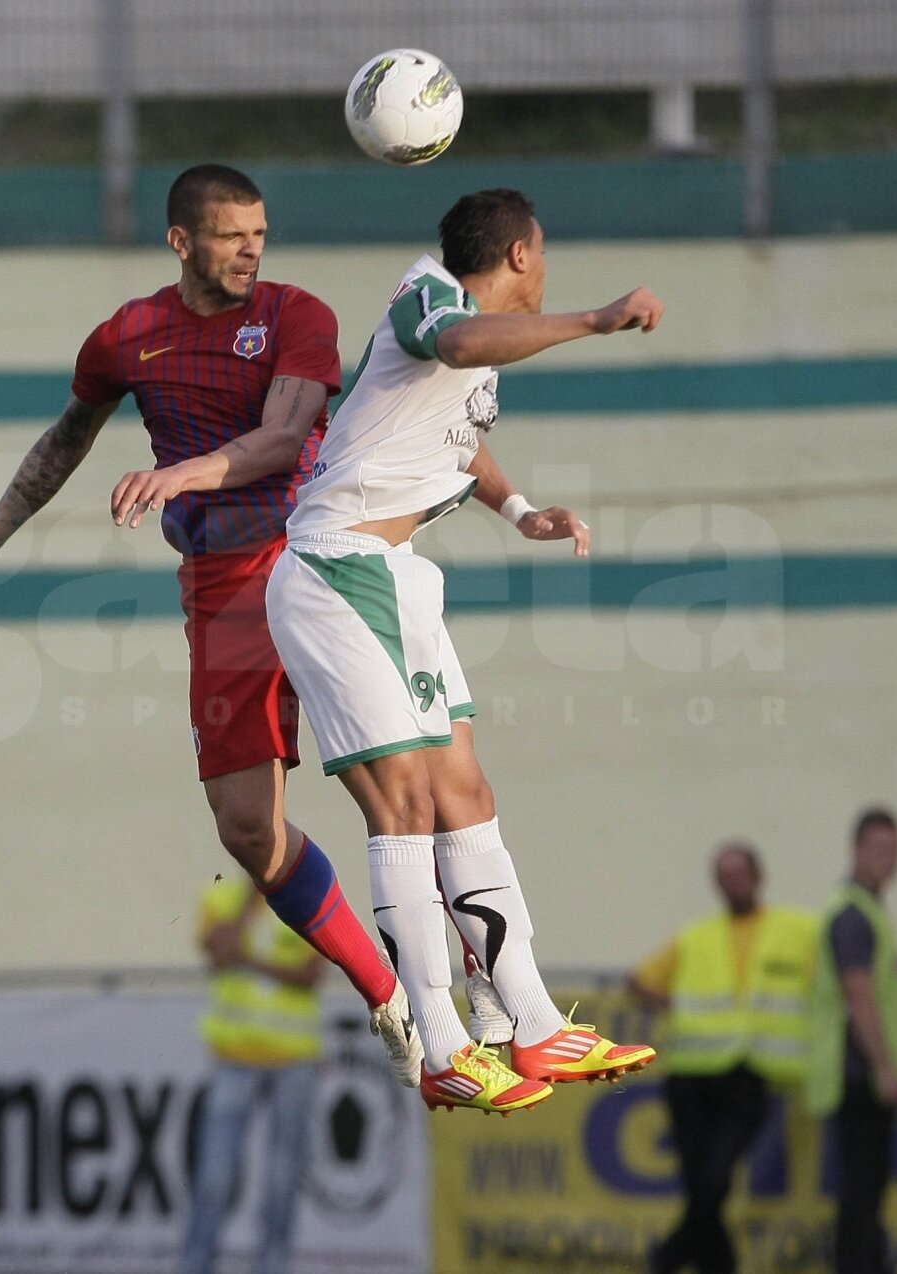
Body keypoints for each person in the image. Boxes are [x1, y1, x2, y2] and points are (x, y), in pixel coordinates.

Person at [0, 163, 421, 1084]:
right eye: (232, 235)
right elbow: (68, 437)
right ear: (182, 241)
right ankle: (388, 995)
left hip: (313, 558)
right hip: (222, 585)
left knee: (388, 779)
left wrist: (179, 474)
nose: (251, 250)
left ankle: (468, 976)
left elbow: (279, 437)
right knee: (247, 833)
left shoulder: (297, 315)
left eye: (260, 233)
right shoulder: (130, 336)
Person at [264, 187, 658, 1116]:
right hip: (336, 567)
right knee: (404, 800)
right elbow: (456, 345)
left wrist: (522, 511)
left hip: (397, 572)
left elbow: (458, 437)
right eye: (546, 251)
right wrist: (598, 321)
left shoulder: (467, 336)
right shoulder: (428, 295)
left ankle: (526, 1021)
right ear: (521, 255)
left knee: (464, 793)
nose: (548, 267)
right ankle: (439, 1040)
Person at [627, 841, 819, 1274]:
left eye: (739, 874)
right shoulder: (698, 935)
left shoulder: (797, 929)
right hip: (690, 1078)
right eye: (724, 876)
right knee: (702, 1185)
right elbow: (638, 981)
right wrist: (678, 1005)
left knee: (713, 1181)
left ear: (759, 876)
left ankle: (666, 1259)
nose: (733, 883)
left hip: (747, 1076)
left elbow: (843, 964)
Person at [183, 874, 325, 1274]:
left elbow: (312, 975)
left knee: (281, 1181)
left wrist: (250, 960)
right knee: (214, 1176)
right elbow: (218, 954)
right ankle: (196, 1264)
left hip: (292, 1058)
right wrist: (249, 902)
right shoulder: (222, 895)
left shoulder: (305, 894)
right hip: (233, 1054)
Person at [807, 807, 897, 1274]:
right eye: (880, 849)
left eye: (896, 849)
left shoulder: (867, 910)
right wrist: (886, 1069)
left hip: (858, 1072)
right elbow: (859, 997)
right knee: (862, 1191)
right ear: (856, 850)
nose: (891, 859)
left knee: (865, 1188)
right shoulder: (853, 914)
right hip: (860, 1074)